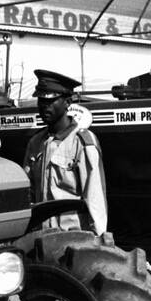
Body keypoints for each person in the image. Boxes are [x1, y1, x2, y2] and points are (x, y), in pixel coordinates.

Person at [22, 69, 107, 234]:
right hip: (41, 237)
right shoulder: (36, 143)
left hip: (73, 237)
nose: (44, 106)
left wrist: (99, 239)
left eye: (51, 101)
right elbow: (28, 192)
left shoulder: (82, 142)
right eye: (41, 100)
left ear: (67, 103)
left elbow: (95, 196)